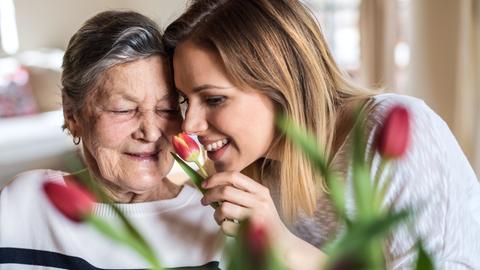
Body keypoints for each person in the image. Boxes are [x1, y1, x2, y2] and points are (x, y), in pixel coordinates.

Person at [163, 0, 480, 269]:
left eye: (214, 99)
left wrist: (285, 246)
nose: (190, 125)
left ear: (279, 82)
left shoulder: (390, 133)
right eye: (184, 100)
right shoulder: (258, 172)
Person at [0, 11, 224, 270]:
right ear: (72, 115)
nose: (151, 133)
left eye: (167, 110)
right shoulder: (24, 205)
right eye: (124, 110)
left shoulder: (214, 219)